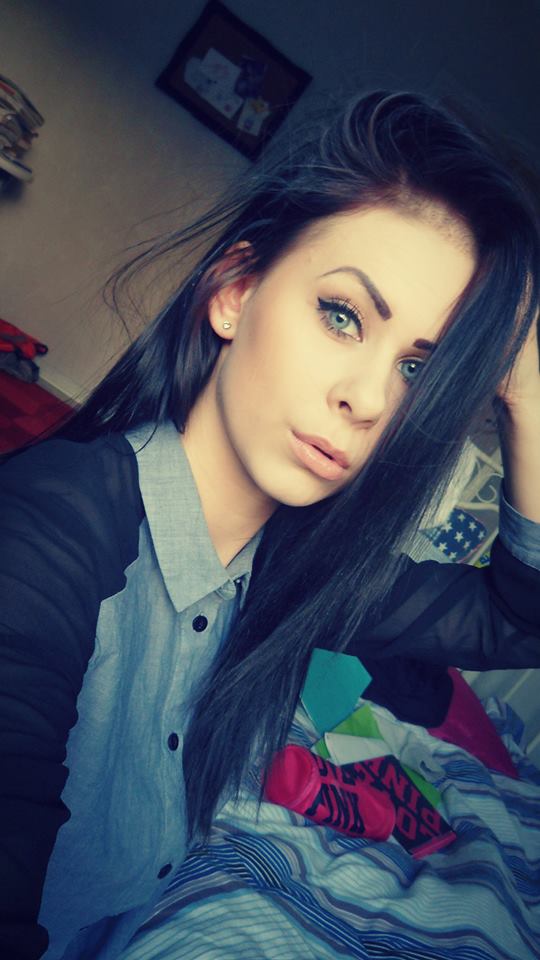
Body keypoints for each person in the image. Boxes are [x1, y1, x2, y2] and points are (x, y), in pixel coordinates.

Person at [1, 90, 539, 960]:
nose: (368, 399)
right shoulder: (48, 532)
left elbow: (522, 620)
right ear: (235, 292)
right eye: (342, 315)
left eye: (416, 370)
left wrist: (529, 390)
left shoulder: (298, 568)